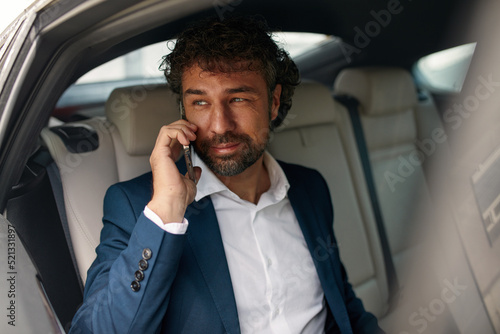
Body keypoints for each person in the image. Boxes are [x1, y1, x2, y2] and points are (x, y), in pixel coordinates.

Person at [70, 17, 384, 334]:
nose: (220, 125)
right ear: (183, 110)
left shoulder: (309, 188)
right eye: (200, 102)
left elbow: (343, 306)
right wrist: (167, 211)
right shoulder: (137, 206)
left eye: (238, 99)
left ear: (273, 103)